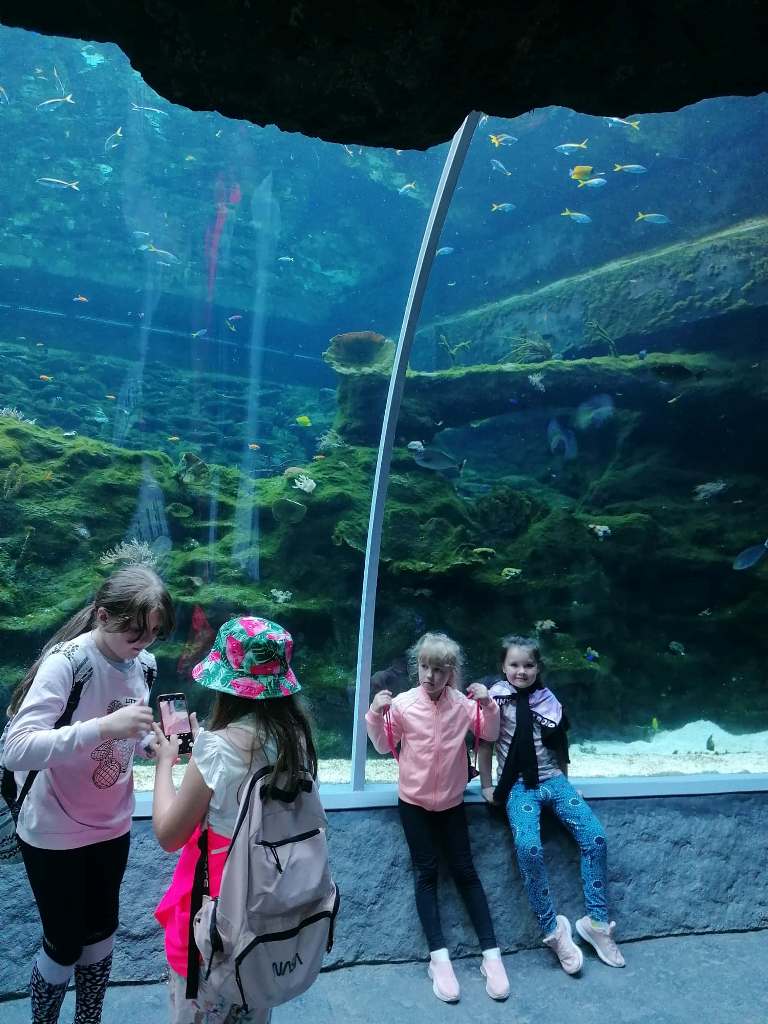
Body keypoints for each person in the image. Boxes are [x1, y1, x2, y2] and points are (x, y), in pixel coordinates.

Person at [3, 564, 175, 1024]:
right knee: (63, 944)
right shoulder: (68, 662)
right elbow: (16, 749)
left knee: (101, 935)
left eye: (154, 633)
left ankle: (89, 1020)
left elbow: (127, 729)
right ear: (102, 616)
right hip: (53, 828)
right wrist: (102, 728)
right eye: (136, 632)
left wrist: (149, 743)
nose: (145, 642)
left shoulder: (144, 664)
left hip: (111, 823)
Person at [152, 615, 315, 1024]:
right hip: (266, 915)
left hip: (217, 918)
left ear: (225, 684)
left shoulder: (215, 749)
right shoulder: (296, 741)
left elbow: (169, 835)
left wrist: (167, 763)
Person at [366, 631, 509, 1004]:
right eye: (424, 666)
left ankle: (491, 955)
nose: (430, 675)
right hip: (413, 802)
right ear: (417, 666)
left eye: (439, 670)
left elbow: (489, 732)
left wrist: (488, 705)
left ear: (451, 672)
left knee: (466, 872)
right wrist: (375, 713)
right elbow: (381, 745)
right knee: (426, 874)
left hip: (452, 802)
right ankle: (438, 958)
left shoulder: (461, 704)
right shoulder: (403, 704)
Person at [478, 635, 625, 974]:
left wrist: (566, 782)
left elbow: (560, 745)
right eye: (514, 664)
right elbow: (484, 745)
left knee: (595, 838)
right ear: (503, 666)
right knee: (528, 848)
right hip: (518, 786)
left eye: (529, 665)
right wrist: (486, 786)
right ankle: (552, 929)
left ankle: (596, 923)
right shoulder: (495, 701)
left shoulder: (548, 701)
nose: (522, 671)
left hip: (554, 781)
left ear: (538, 667)